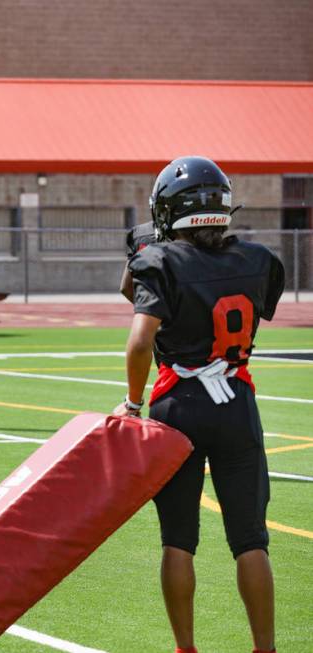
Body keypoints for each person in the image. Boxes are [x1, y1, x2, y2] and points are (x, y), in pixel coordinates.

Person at [113, 156, 283, 653]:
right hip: (236, 402)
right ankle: (265, 647)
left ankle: (185, 647)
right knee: (251, 540)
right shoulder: (259, 259)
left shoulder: (157, 260)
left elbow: (141, 338)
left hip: (178, 406)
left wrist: (132, 401)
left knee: (178, 538)